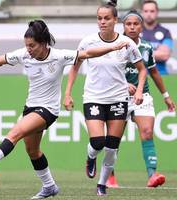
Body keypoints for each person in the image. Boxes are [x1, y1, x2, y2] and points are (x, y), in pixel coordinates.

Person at [0, 19, 128, 199]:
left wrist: (112, 48)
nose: (29, 49)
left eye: (32, 45)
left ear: (43, 43)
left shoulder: (59, 56)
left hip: (48, 110)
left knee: (15, 133)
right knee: (33, 151)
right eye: (27, 45)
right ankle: (49, 186)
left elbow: (88, 54)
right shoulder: (24, 54)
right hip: (30, 107)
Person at [64, 0, 147, 196]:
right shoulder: (88, 41)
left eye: (107, 18)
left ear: (115, 20)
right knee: (98, 141)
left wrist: (139, 90)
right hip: (93, 97)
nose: (102, 22)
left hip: (118, 98)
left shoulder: (126, 43)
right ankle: (90, 156)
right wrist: (67, 93)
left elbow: (142, 69)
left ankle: (102, 184)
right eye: (99, 18)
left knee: (112, 146)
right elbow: (75, 67)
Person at [106, 9, 176, 189]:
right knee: (114, 138)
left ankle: (152, 175)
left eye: (135, 24)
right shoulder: (114, 45)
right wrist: (122, 85)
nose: (131, 27)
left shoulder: (146, 47)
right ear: (123, 26)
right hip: (118, 96)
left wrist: (166, 96)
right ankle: (109, 176)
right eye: (128, 24)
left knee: (146, 132)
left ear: (141, 26)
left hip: (142, 95)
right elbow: (106, 72)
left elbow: (153, 72)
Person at [141, 0, 173, 75]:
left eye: (152, 11)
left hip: (161, 75)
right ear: (142, 12)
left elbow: (164, 55)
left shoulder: (165, 32)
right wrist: (157, 51)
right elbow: (129, 55)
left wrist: (140, 53)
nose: (149, 14)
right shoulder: (134, 31)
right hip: (140, 76)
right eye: (146, 11)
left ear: (157, 12)